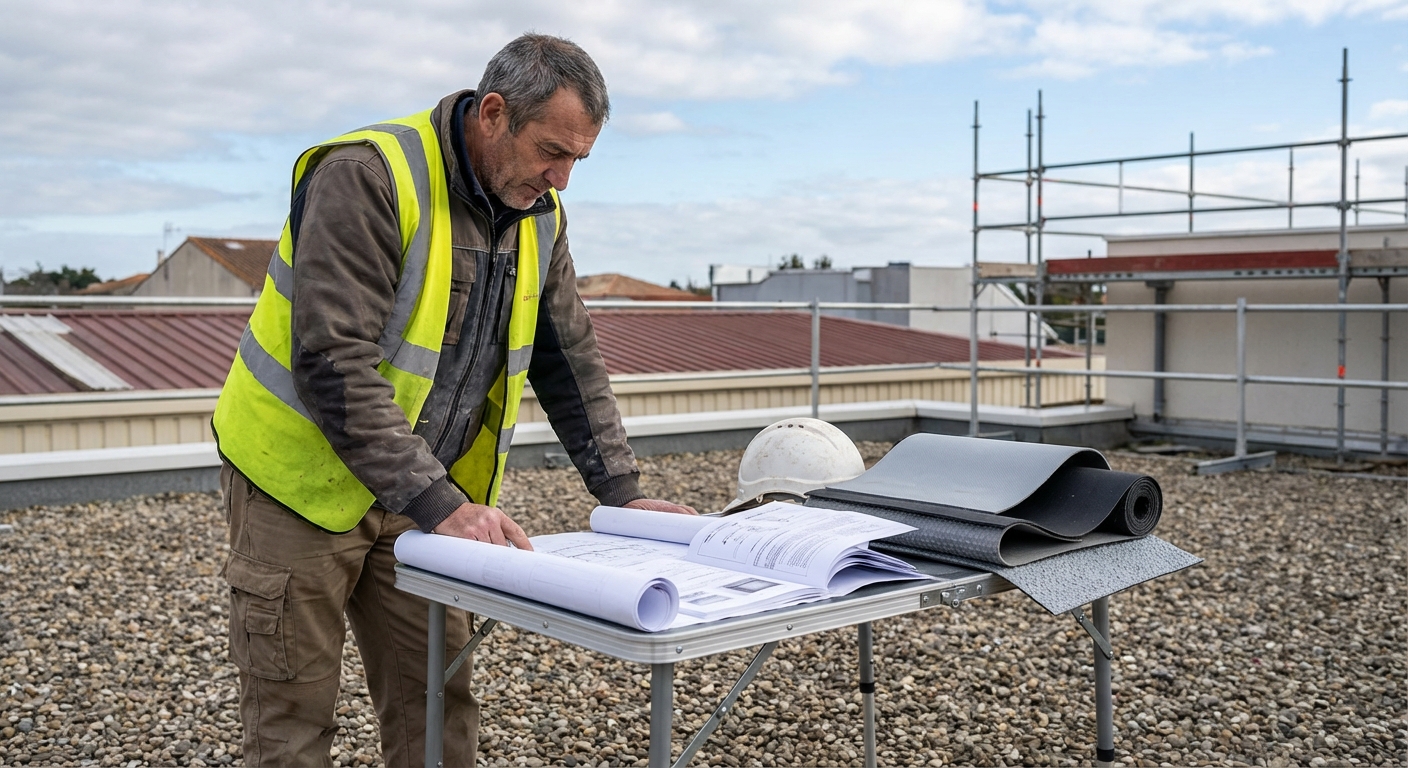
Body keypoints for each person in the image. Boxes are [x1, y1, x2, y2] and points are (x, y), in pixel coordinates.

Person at [212, 34, 696, 767]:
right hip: (298, 485)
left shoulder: (538, 212)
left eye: (577, 160)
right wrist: (444, 506)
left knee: (436, 704)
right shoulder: (367, 176)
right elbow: (331, 359)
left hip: (419, 490)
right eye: (551, 151)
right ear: (493, 113)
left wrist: (621, 492)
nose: (561, 178)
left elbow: (570, 358)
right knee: (291, 721)